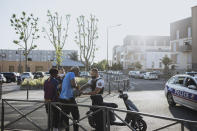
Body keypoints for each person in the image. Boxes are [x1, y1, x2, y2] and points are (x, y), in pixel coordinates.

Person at [59, 66, 80, 131]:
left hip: (62, 98)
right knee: (76, 116)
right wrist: (77, 87)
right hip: (69, 98)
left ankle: (67, 130)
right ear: (75, 71)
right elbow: (73, 84)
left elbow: (61, 87)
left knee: (66, 116)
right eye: (78, 71)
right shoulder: (71, 74)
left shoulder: (66, 75)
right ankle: (76, 130)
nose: (78, 73)